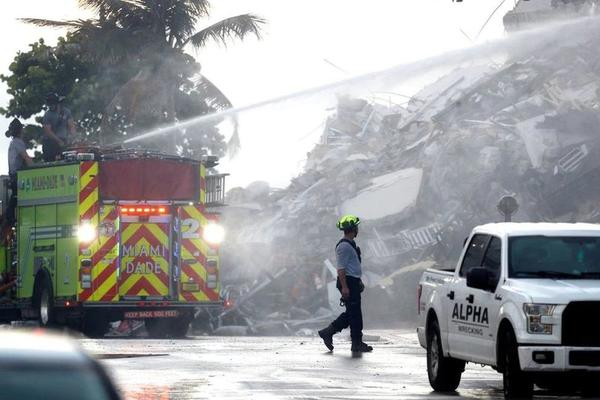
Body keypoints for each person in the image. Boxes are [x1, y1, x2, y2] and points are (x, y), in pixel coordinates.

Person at [318, 215, 373, 354]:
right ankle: (355, 343)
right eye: (356, 227)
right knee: (355, 315)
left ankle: (329, 332)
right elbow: (341, 269)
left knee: (352, 314)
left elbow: (352, 267)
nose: (357, 229)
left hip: (352, 281)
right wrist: (345, 287)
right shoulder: (343, 246)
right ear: (352, 229)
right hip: (347, 282)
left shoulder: (351, 245)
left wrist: (358, 281)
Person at [4, 118, 32, 226]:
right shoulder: (18, 142)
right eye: (22, 129)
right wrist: (36, 169)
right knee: (17, 196)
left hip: (13, 174)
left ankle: (10, 216)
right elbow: (26, 158)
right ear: (20, 130)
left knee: (15, 197)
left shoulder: (13, 142)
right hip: (17, 176)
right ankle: (10, 216)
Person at [41, 92, 75, 162]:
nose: (50, 106)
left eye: (52, 104)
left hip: (64, 141)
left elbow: (71, 126)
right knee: (50, 162)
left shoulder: (66, 112)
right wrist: (58, 141)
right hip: (50, 143)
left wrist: (73, 137)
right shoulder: (47, 115)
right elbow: (48, 131)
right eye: (49, 104)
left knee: (66, 160)